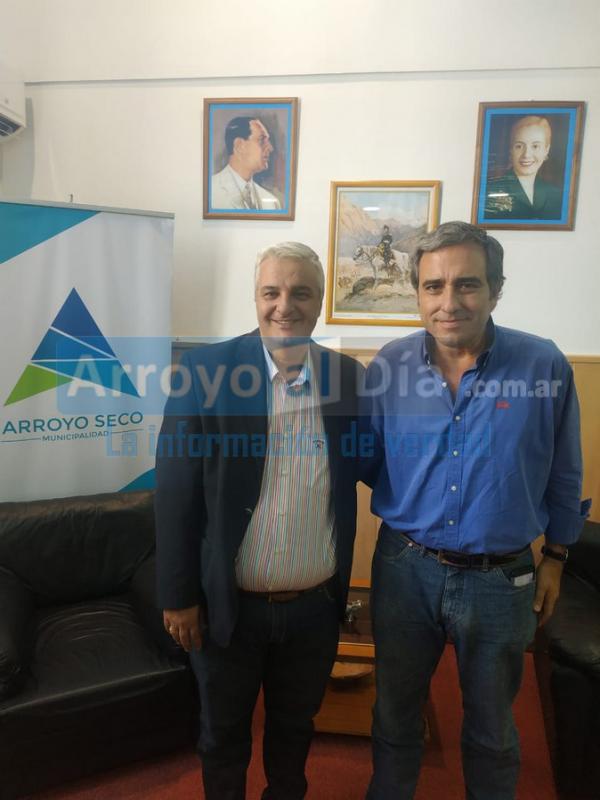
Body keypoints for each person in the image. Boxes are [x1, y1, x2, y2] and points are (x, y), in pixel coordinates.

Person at [362, 221, 589, 799]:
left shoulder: (542, 366)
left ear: (496, 289)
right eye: (433, 286)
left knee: (492, 728)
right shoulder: (389, 366)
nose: (449, 302)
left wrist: (557, 556)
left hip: (501, 579)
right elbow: (364, 456)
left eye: (467, 284)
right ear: (417, 293)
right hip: (404, 569)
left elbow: (565, 471)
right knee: (394, 715)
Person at [155, 242, 364, 800]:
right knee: (222, 736)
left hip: (314, 609)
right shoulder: (205, 372)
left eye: (301, 292)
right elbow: (174, 493)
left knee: (295, 731)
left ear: (321, 301)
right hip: (228, 608)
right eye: (271, 292)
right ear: (256, 297)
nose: (284, 306)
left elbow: (372, 465)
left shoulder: (347, 376)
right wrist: (177, 595)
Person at [485, 115, 563, 220]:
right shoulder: (490, 190)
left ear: (546, 149)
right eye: (519, 146)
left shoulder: (556, 195)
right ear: (511, 150)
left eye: (535, 146)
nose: (526, 154)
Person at [211, 116, 281, 211]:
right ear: (239, 146)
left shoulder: (272, 203)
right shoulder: (210, 191)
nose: (270, 148)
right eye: (262, 140)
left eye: (268, 141)